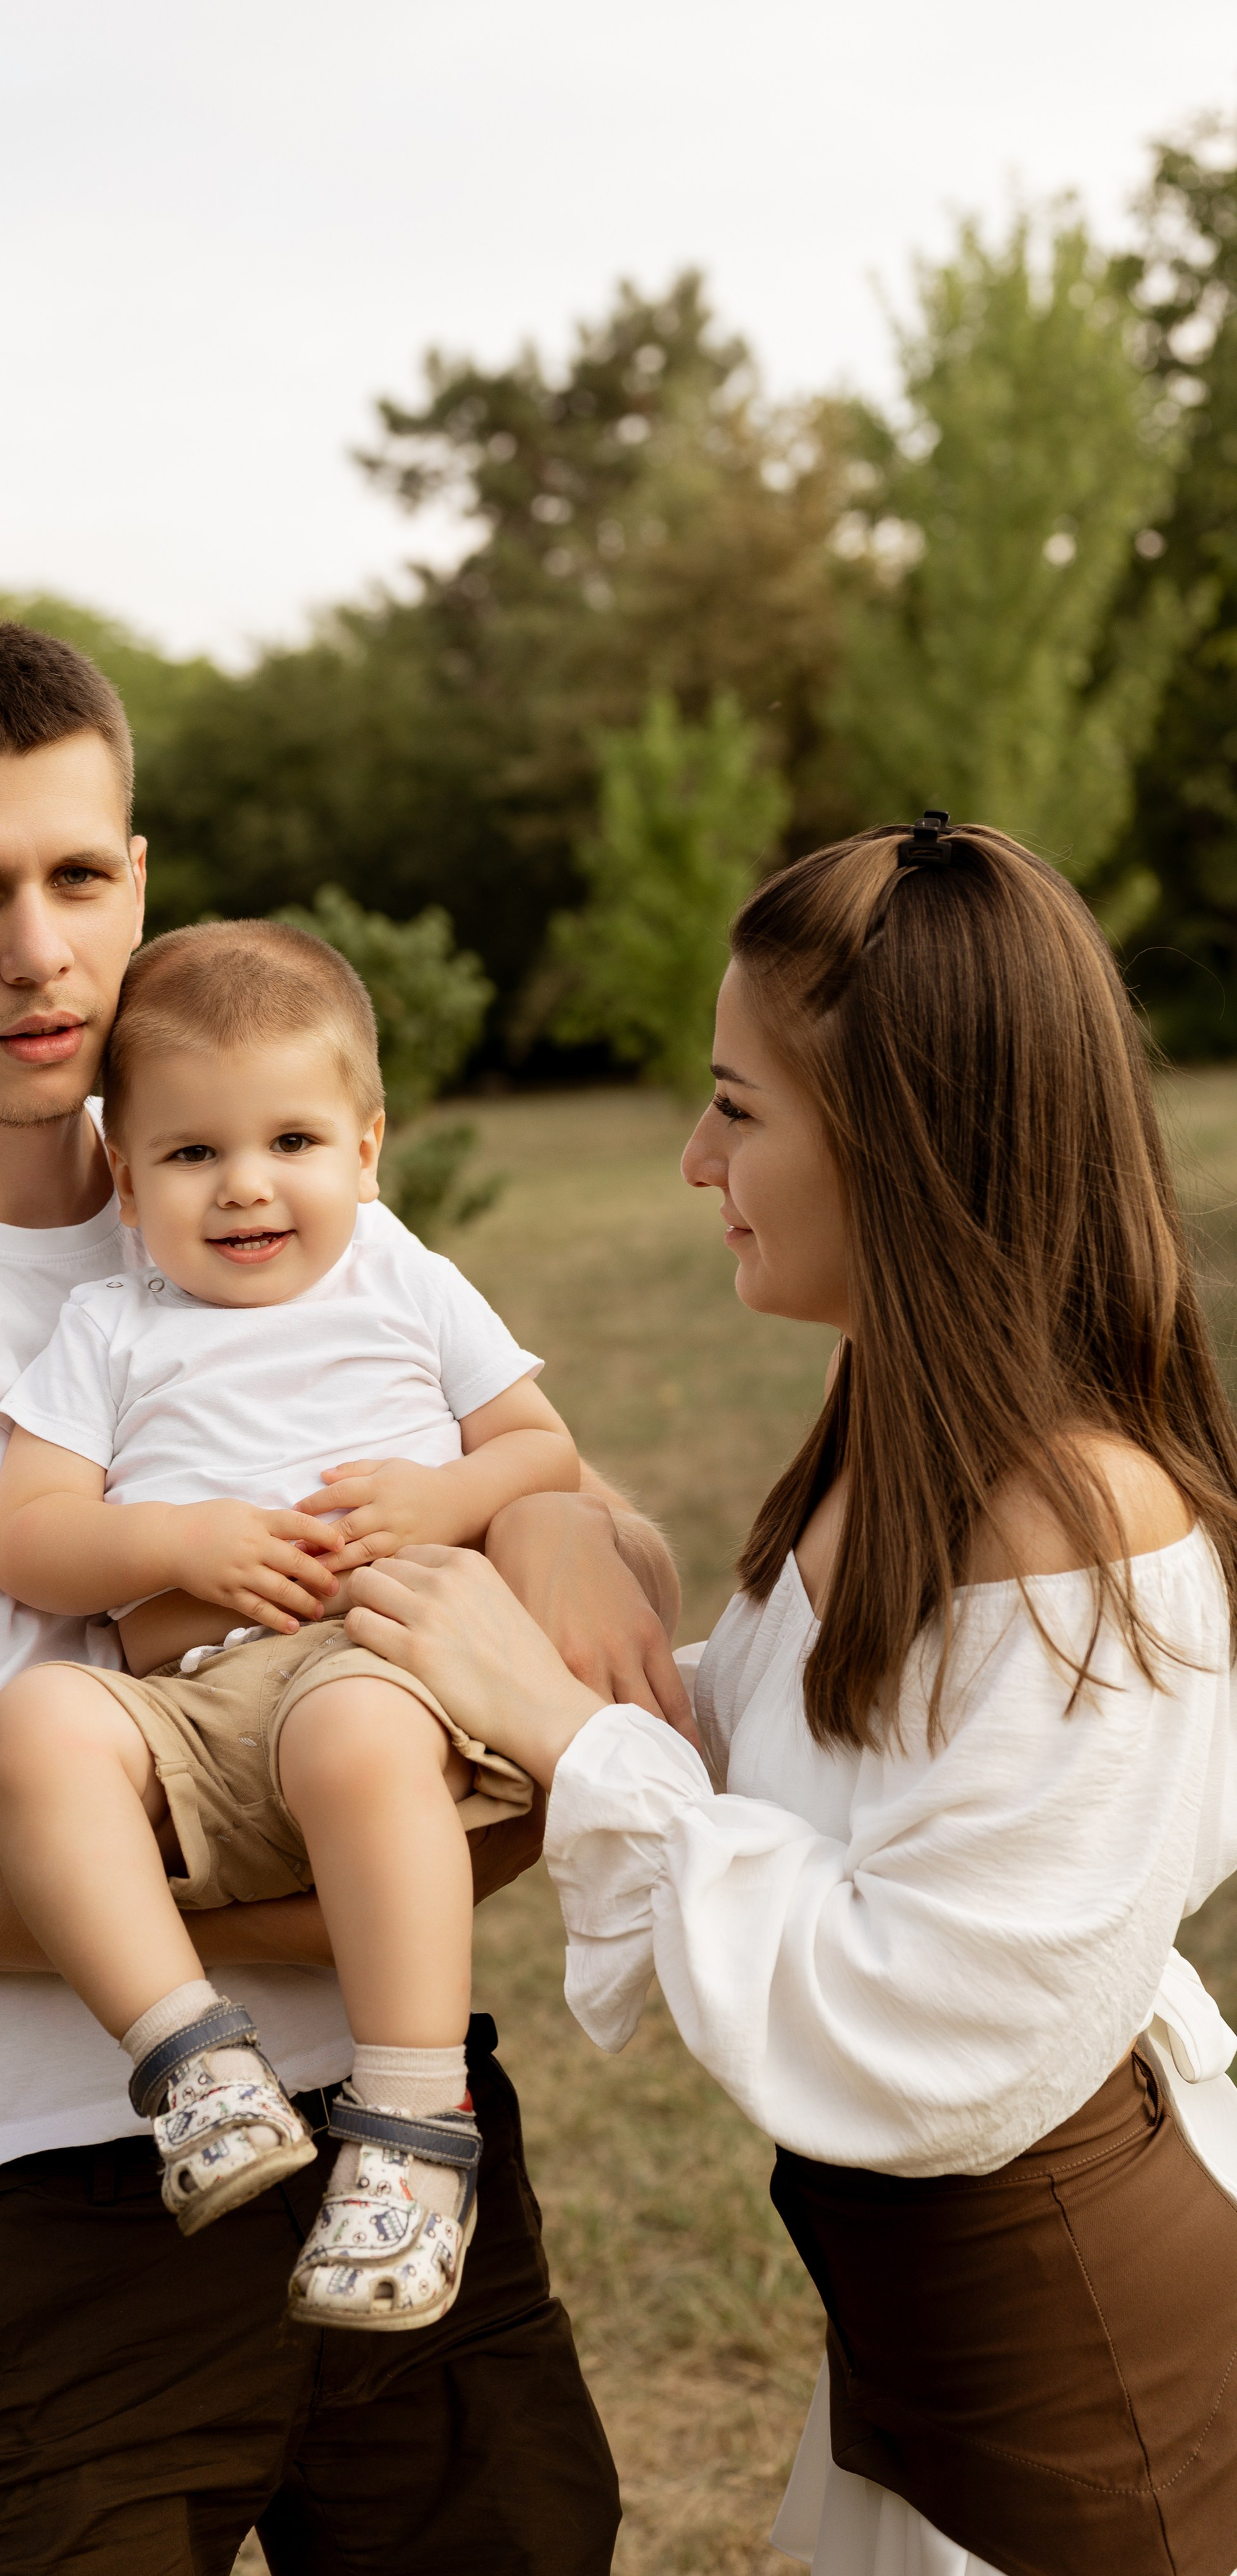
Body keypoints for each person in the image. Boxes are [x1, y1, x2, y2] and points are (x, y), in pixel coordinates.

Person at [0, 614, 683, 2573]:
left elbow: (553, 1493)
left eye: (78, 876)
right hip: (52, 2204)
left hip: (413, 2139)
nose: (38, 951)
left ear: (139, 875)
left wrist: (551, 1531)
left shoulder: (257, 1166)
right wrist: (402, 1885)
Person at [335, 816, 1237, 2575]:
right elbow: (758, 1779)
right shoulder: (892, 1440)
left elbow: (940, 2030)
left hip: (1077, 2410)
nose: (692, 1160)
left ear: (903, 1144)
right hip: (924, 2360)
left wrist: (563, 1724)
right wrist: (546, 1521)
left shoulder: (1086, 1523)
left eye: (738, 1107)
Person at [0, 915, 580, 2334]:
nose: (246, 1187)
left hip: (369, 1657)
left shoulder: (404, 1278)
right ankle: (193, 2061)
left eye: (292, 1143)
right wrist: (177, 1537)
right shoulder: (111, 1329)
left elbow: (540, 1450)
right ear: (124, 1178)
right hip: (190, 1705)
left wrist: (442, 1496)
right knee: (36, 1722)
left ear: (367, 1150)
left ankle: (410, 2132)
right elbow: (33, 1538)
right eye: (191, 1155)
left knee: (358, 1736)